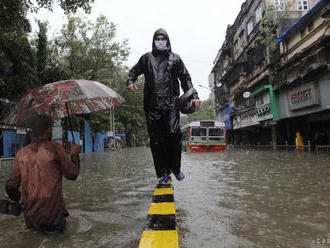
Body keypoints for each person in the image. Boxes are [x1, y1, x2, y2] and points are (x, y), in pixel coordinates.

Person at [127, 28, 201, 183]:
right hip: (152, 105)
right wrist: (130, 82)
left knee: (174, 135)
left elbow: (186, 79)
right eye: (157, 38)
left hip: (172, 104)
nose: (160, 41)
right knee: (156, 140)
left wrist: (194, 96)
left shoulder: (176, 59)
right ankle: (162, 173)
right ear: (154, 40)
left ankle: (175, 168)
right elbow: (133, 72)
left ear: (167, 40)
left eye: (163, 38)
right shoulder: (146, 58)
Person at [5, 115, 80, 234]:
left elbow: (10, 185)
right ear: (48, 129)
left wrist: (16, 200)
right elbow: (72, 174)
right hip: (54, 219)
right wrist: (74, 155)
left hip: (31, 220)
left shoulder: (21, 154)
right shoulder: (55, 148)